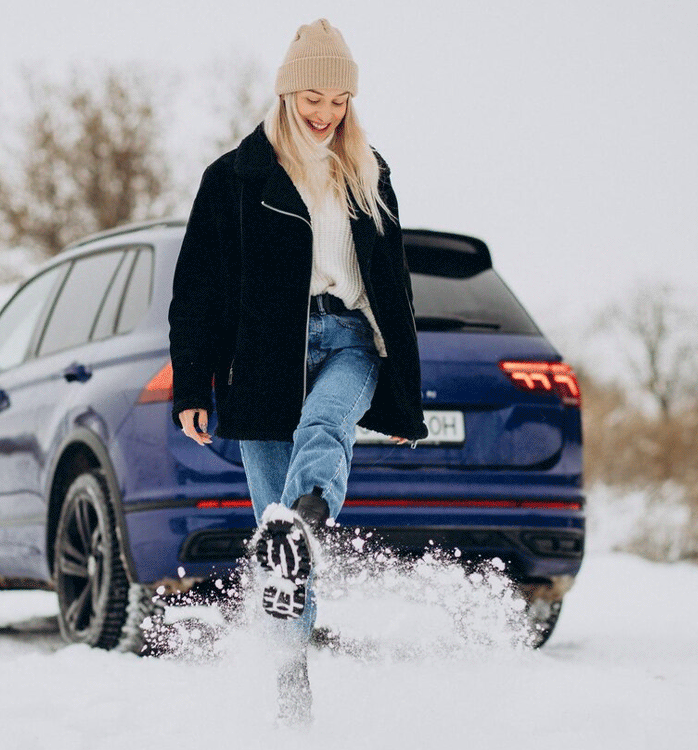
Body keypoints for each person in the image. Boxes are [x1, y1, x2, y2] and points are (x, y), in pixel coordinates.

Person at [167, 18, 428, 724]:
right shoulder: (235, 179)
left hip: (347, 339)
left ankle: (311, 510)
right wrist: (191, 383)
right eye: (313, 97)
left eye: (339, 100)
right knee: (276, 549)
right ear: (286, 93)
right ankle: (292, 695)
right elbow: (198, 289)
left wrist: (404, 392)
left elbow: (393, 288)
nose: (325, 113)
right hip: (262, 359)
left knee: (321, 430)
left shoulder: (369, 172)